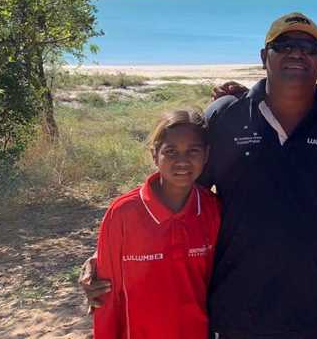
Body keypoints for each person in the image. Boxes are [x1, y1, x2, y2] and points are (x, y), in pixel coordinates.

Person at [82, 12, 317, 339]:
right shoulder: (226, 116)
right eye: (283, 45)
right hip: (236, 310)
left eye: (308, 47)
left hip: (314, 308)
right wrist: (108, 257)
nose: (296, 53)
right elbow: (181, 196)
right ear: (263, 57)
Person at [93, 109, 221, 339]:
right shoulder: (122, 214)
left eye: (193, 151)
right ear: (155, 155)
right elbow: (105, 296)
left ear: (206, 155)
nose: (182, 161)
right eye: (170, 151)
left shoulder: (212, 210)